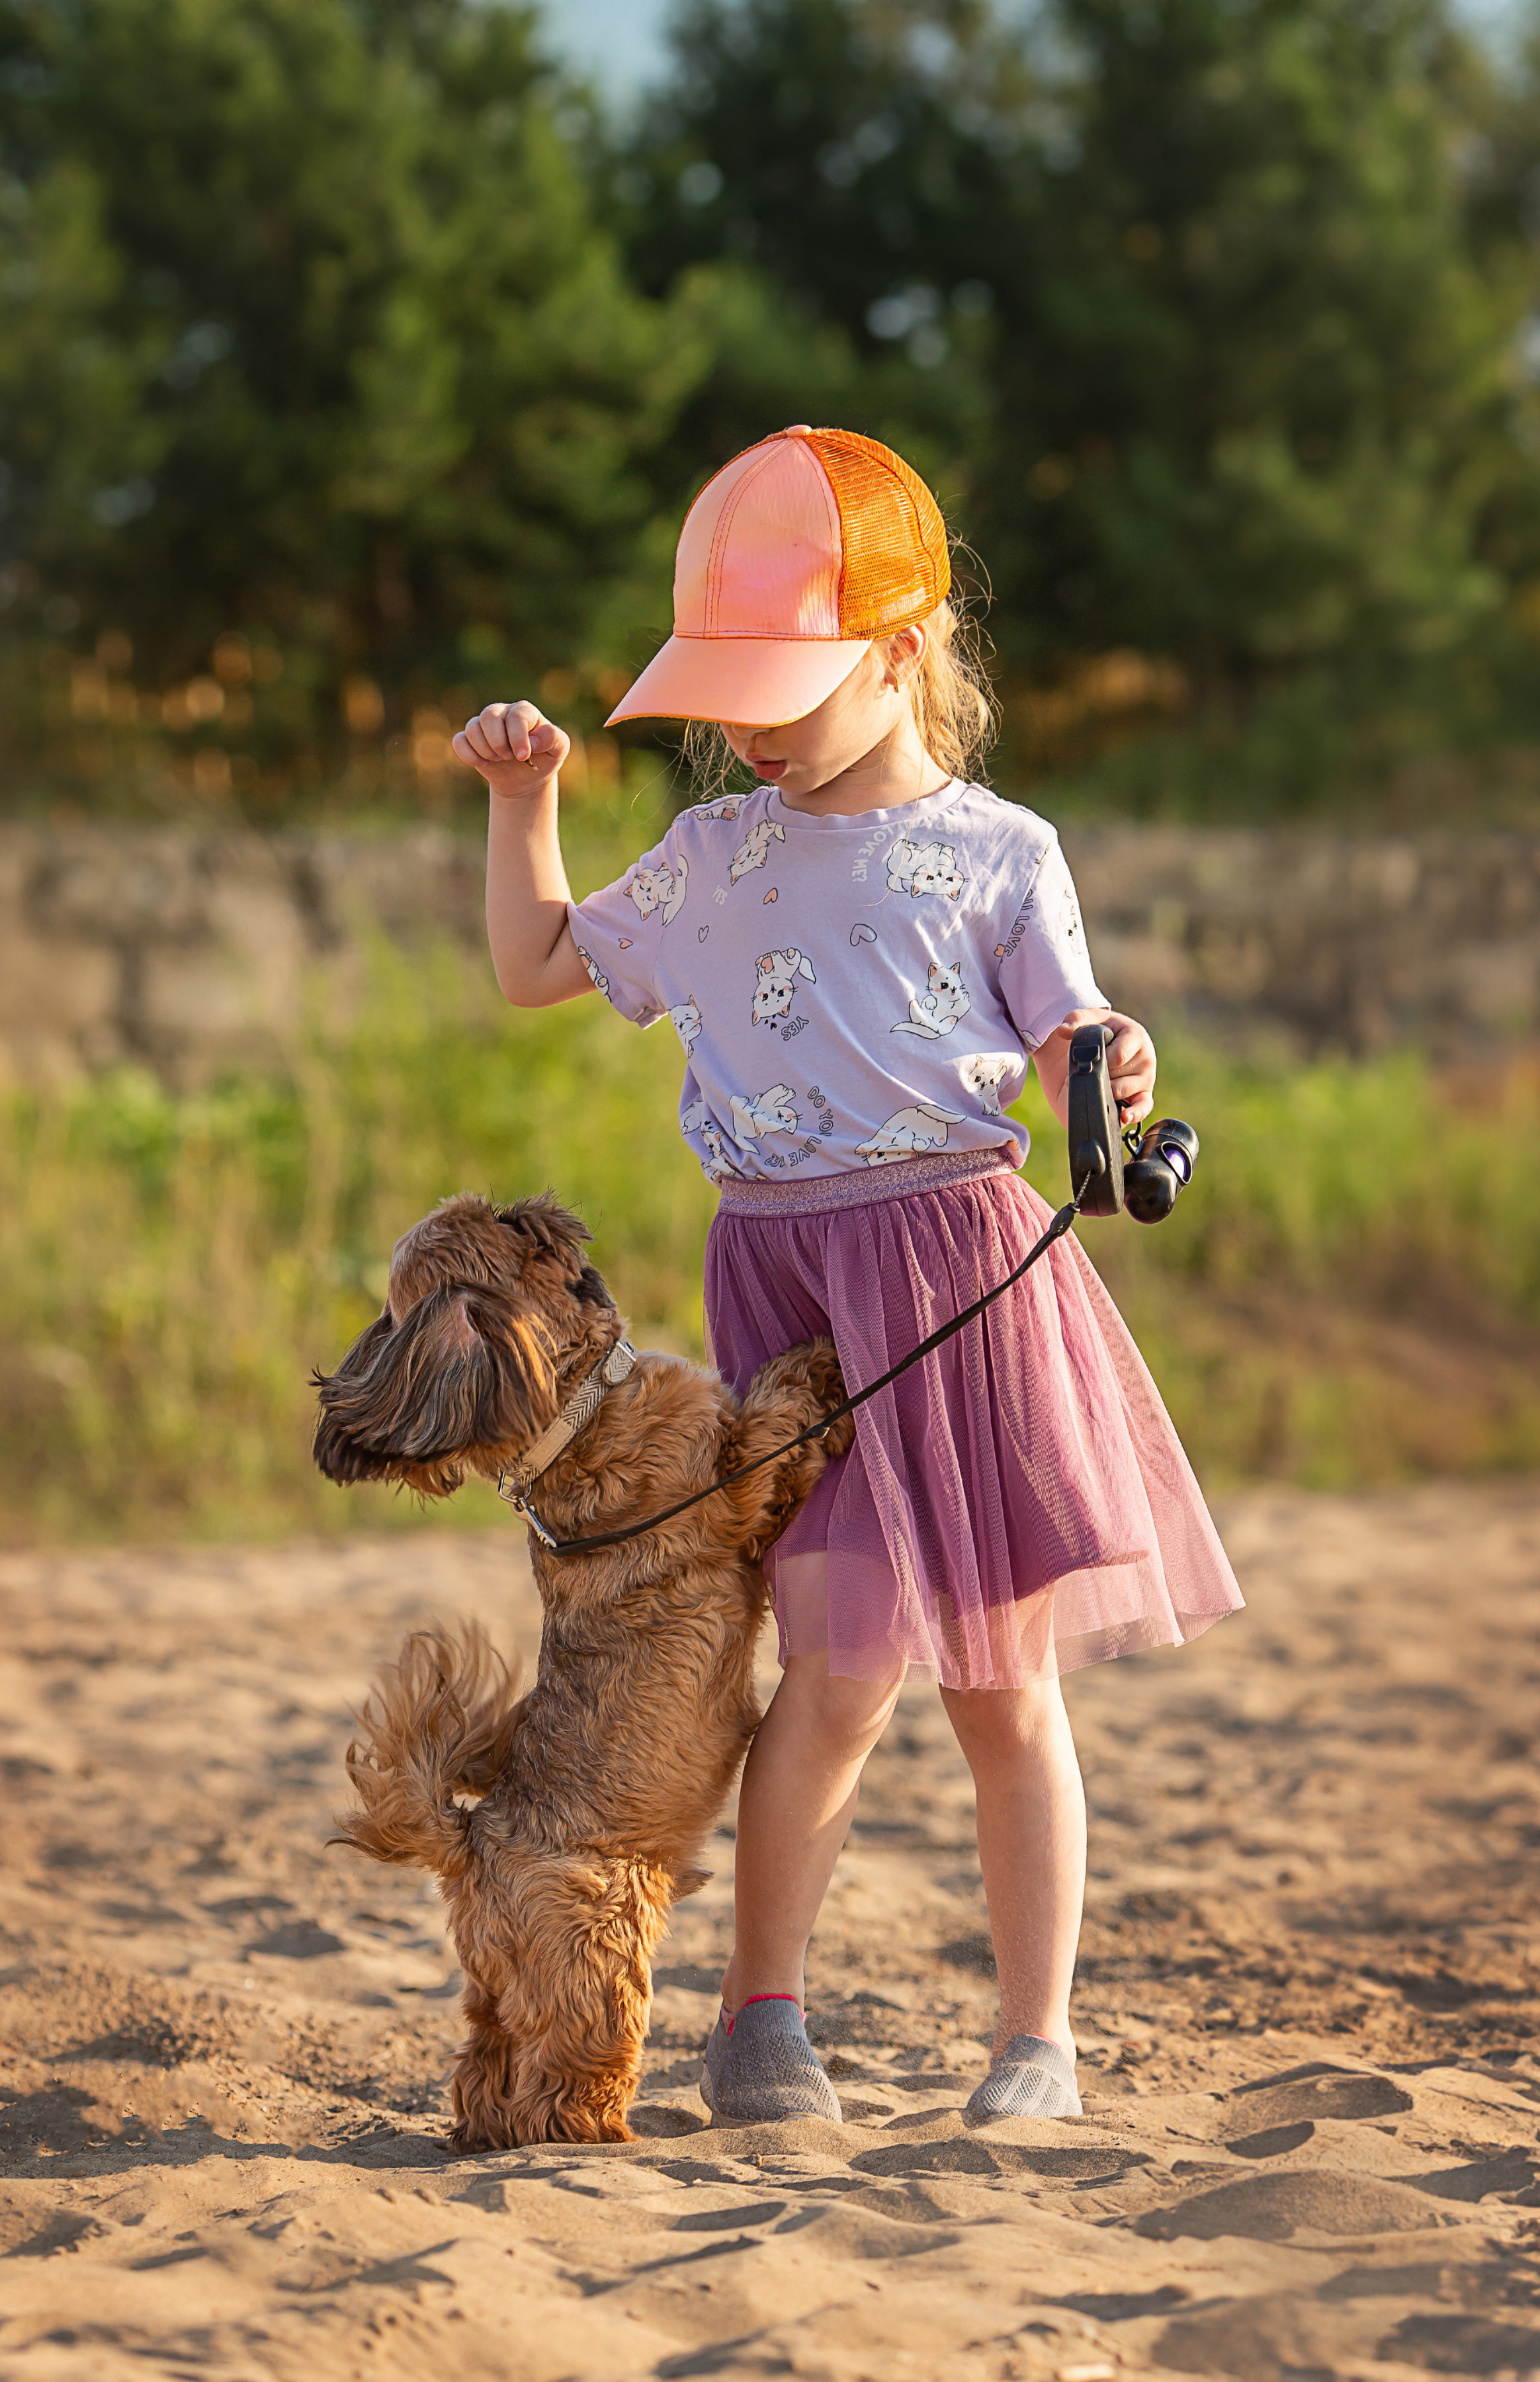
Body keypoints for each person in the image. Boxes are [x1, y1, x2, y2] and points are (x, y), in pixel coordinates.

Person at [459, 425, 1243, 2126]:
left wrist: (1105, 1065)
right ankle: (762, 2022)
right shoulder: (714, 854)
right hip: (786, 1292)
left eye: (782, 686)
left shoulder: (1002, 852)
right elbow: (532, 962)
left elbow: (1066, 1037)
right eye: (727, 692)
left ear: (897, 652)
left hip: (957, 1277)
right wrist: (524, 805)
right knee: (829, 1674)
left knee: (1000, 1685)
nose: (748, 729)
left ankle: (1035, 2041)